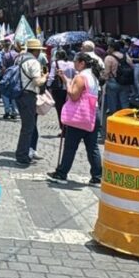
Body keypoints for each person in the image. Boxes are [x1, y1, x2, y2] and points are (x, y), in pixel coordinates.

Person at [47, 53, 103, 185]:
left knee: (70, 146)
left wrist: (67, 83)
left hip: (80, 116)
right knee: (92, 146)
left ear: (82, 63)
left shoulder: (81, 77)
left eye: (76, 61)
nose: (74, 64)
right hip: (93, 113)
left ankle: (61, 173)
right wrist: (65, 78)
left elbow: (73, 95)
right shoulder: (93, 76)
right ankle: (97, 176)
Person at [15, 39, 46, 166]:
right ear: (36, 51)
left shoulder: (19, 59)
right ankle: (22, 155)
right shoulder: (33, 62)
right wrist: (44, 77)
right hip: (28, 95)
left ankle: (23, 152)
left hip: (20, 93)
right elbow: (37, 82)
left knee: (27, 126)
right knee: (28, 127)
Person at [46, 49, 74, 131]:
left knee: (60, 109)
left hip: (58, 89)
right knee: (69, 108)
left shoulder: (55, 63)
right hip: (69, 88)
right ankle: (69, 127)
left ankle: (63, 128)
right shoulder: (71, 64)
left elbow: (51, 76)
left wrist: (48, 85)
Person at [104, 40, 134, 112]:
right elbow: (132, 66)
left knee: (112, 101)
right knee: (124, 101)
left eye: (108, 48)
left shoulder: (109, 58)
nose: (107, 49)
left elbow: (107, 72)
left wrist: (105, 81)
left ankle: (114, 115)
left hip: (113, 81)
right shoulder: (125, 55)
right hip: (125, 81)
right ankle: (125, 115)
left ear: (112, 48)